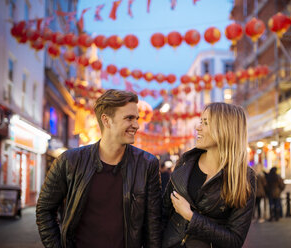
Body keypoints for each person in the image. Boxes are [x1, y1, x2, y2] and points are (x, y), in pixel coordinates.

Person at [36, 89, 162, 248]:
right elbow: (44, 210)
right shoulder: (70, 161)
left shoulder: (147, 164)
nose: (136, 125)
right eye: (129, 118)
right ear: (106, 120)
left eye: (137, 118)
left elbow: (154, 227)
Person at [162, 103, 256, 248]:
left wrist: (191, 217)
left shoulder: (244, 177)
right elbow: (163, 213)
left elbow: (235, 240)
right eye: (201, 121)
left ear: (224, 129)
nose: (197, 127)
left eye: (205, 123)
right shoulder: (186, 163)